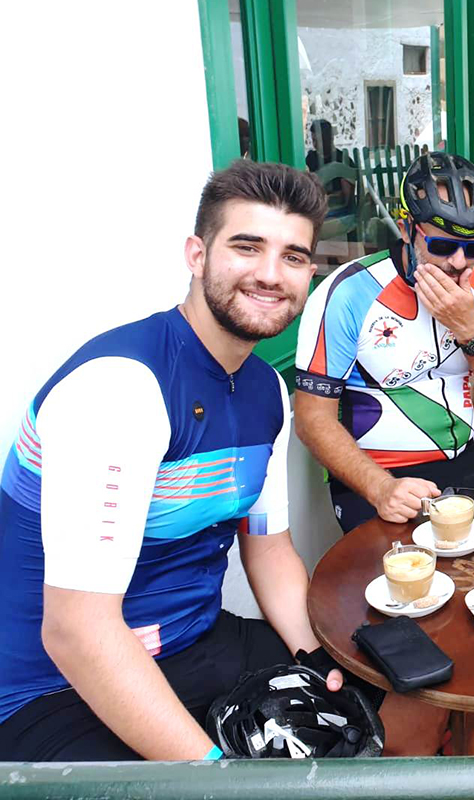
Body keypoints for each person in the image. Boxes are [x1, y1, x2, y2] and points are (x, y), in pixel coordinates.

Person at [0, 160, 439, 760]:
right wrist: (215, 776)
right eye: (246, 246)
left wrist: (314, 660)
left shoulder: (264, 391)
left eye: (292, 256)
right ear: (196, 254)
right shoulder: (120, 389)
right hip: (52, 688)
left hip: (196, 641)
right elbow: (77, 631)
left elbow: (270, 549)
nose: (269, 274)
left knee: (396, 699)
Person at [294, 151, 474, 534]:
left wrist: (472, 331)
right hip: (379, 472)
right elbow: (311, 418)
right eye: (442, 246)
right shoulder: (349, 291)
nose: (459, 262)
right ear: (406, 229)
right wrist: (381, 487)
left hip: (463, 461)